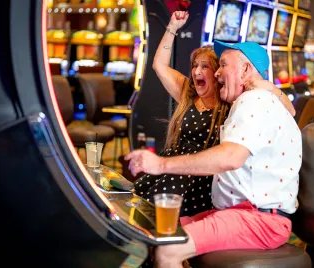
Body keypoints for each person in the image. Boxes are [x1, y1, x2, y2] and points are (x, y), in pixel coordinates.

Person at [126, 40, 302, 268]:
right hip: (240, 212)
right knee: (159, 232)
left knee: (167, 249)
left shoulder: (255, 101)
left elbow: (230, 157)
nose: (217, 72)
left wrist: (160, 164)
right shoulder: (252, 101)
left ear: (246, 70)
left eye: (223, 65)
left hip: (258, 218)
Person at [134, 11, 295, 219]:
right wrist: (172, 28)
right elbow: (159, 65)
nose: (196, 72)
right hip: (172, 166)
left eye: (205, 67)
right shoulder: (188, 94)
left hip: (200, 179)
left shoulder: (231, 101)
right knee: (139, 214)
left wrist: (268, 86)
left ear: (218, 72)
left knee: (161, 223)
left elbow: (290, 110)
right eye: (194, 66)